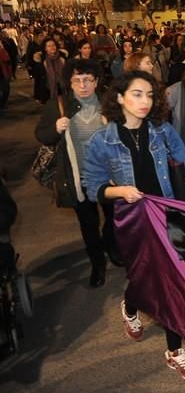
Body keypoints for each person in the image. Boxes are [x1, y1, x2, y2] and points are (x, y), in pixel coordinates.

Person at [83, 71, 185, 381]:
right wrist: (120, 191)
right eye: (137, 94)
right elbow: (92, 186)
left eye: (150, 95)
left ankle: (173, 350)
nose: (145, 101)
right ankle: (131, 304)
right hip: (132, 222)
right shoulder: (102, 140)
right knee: (143, 278)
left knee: (168, 284)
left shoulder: (162, 130)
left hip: (166, 215)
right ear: (119, 97)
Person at [34, 59, 120, 287]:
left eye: (88, 80)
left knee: (113, 217)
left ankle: (110, 245)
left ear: (97, 81)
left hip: (108, 177)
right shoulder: (58, 105)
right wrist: (55, 128)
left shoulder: (109, 103)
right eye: (77, 80)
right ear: (69, 83)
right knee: (88, 223)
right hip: (77, 177)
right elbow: (41, 135)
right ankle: (97, 263)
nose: (83, 85)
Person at [32, 37, 68, 103]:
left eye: (53, 45)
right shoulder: (41, 61)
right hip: (48, 90)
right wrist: (37, 95)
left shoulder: (62, 59)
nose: (52, 47)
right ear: (45, 48)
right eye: (49, 46)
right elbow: (38, 79)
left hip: (63, 88)